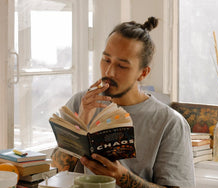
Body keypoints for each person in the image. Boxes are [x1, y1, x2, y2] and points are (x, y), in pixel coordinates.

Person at [51, 17, 195, 188]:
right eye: (106, 60)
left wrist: (122, 177)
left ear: (143, 73)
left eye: (122, 66)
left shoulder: (170, 123)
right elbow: (56, 169)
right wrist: (80, 123)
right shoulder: (80, 102)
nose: (109, 72)